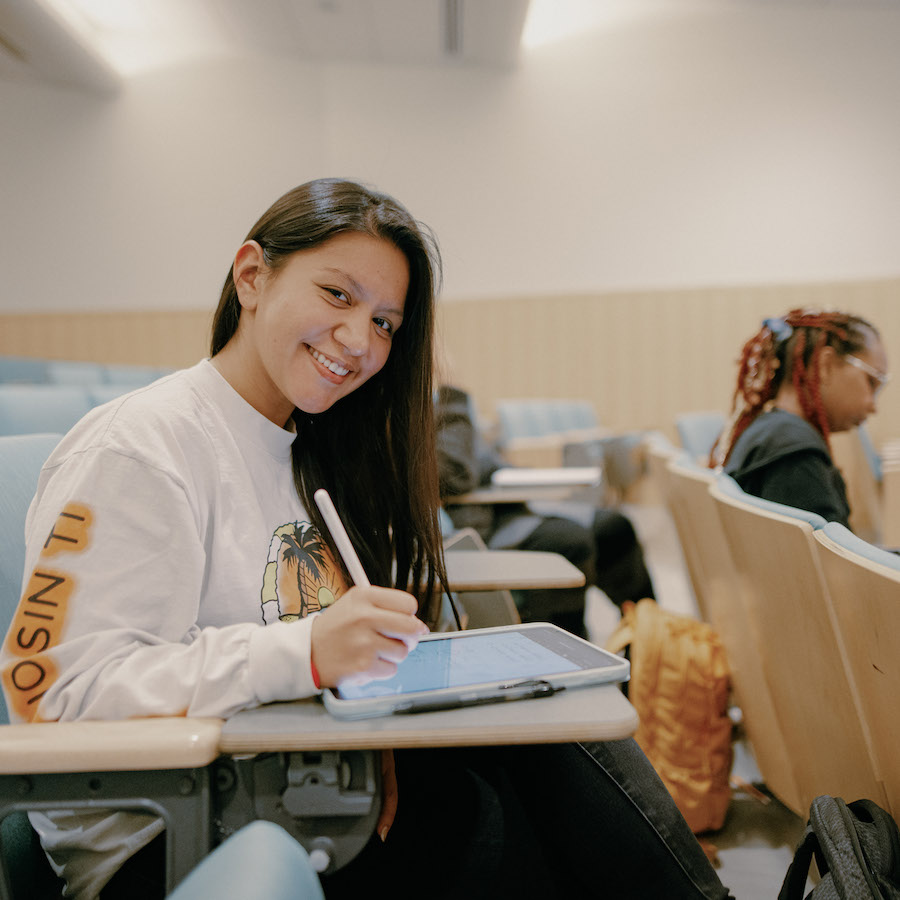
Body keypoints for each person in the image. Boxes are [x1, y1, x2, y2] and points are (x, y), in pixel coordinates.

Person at [1, 179, 731, 900]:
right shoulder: (139, 447)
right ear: (252, 276)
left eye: (386, 322)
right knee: (530, 810)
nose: (359, 340)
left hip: (294, 784)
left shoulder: (302, 445)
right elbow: (63, 689)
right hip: (180, 836)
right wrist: (308, 653)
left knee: (545, 728)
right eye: (338, 296)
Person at [435, 383, 656, 636]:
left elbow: (479, 464)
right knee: (568, 541)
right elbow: (454, 474)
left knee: (616, 528)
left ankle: (651, 649)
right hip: (472, 527)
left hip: (504, 509)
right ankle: (567, 662)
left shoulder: (436, 402)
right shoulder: (423, 404)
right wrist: (450, 396)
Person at [713, 308, 889, 528]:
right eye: (872, 382)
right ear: (825, 365)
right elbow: (831, 561)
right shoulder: (795, 454)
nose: (873, 406)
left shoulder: (772, 431)